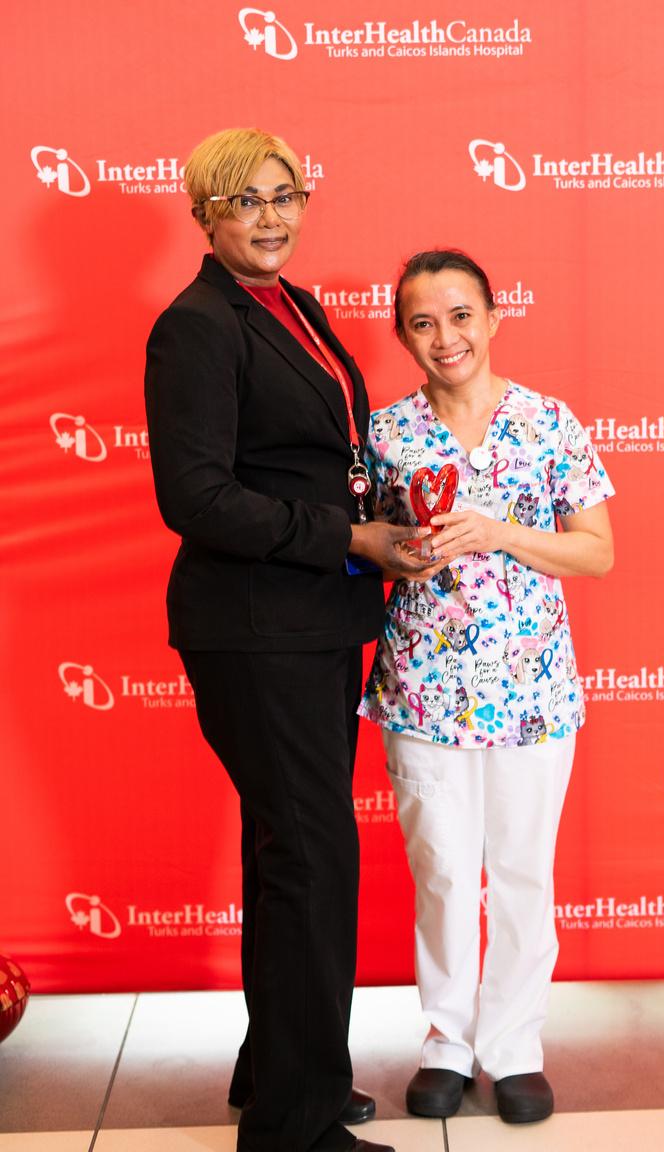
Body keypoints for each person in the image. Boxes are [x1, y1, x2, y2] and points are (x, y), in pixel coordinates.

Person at [144, 127, 435, 1152]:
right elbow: (195, 497)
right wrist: (346, 537)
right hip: (256, 627)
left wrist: (381, 515)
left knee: (287, 853)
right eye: (244, 201)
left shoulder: (289, 305)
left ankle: (278, 1074)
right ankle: (295, 1128)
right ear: (204, 216)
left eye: (285, 195)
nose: (270, 217)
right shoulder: (196, 326)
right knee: (311, 858)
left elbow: (307, 458)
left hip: (310, 621)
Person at [359, 250, 614, 1125]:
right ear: (403, 335)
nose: (446, 337)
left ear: (494, 318)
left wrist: (500, 533)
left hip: (531, 691)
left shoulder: (547, 423)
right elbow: (362, 547)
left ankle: (511, 1047)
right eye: (423, 323)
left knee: (520, 871)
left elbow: (596, 551)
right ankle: (446, 1041)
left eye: (460, 316)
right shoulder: (383, 435)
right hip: (422, 690)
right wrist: (401, 553)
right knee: (439, 871)